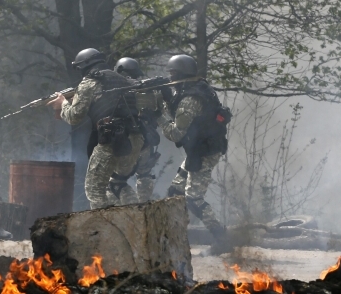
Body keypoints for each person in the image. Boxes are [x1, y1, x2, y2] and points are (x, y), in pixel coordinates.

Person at [151, 54, 232, 253]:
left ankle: (222, 239)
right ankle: (170, 238)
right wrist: (164, 102)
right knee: (175, 192)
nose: (170, 78)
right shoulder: (196, 89)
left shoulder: (190, 98)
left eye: (172, 74)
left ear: (180, 74)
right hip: (201, 148)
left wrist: (157, 115)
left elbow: (176, 132)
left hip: (204, 152)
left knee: (193, 199)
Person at [46, 48, 142, 209]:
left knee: (94, 191)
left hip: (113, 140)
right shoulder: (121, 79)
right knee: (118, 184)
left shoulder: (89, 82)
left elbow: (73, 117)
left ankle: (104, 230)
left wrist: (62, 103)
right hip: (135, 139)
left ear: (84, 66)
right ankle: (136, 222)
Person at [112, 57, 162, 203]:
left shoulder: (120, 91)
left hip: (128, 141)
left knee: (116, 182)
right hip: (148, 139)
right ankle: (144, 206)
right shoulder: (150, 90)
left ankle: (131, 211)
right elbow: (159, 112)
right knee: (145, 174)